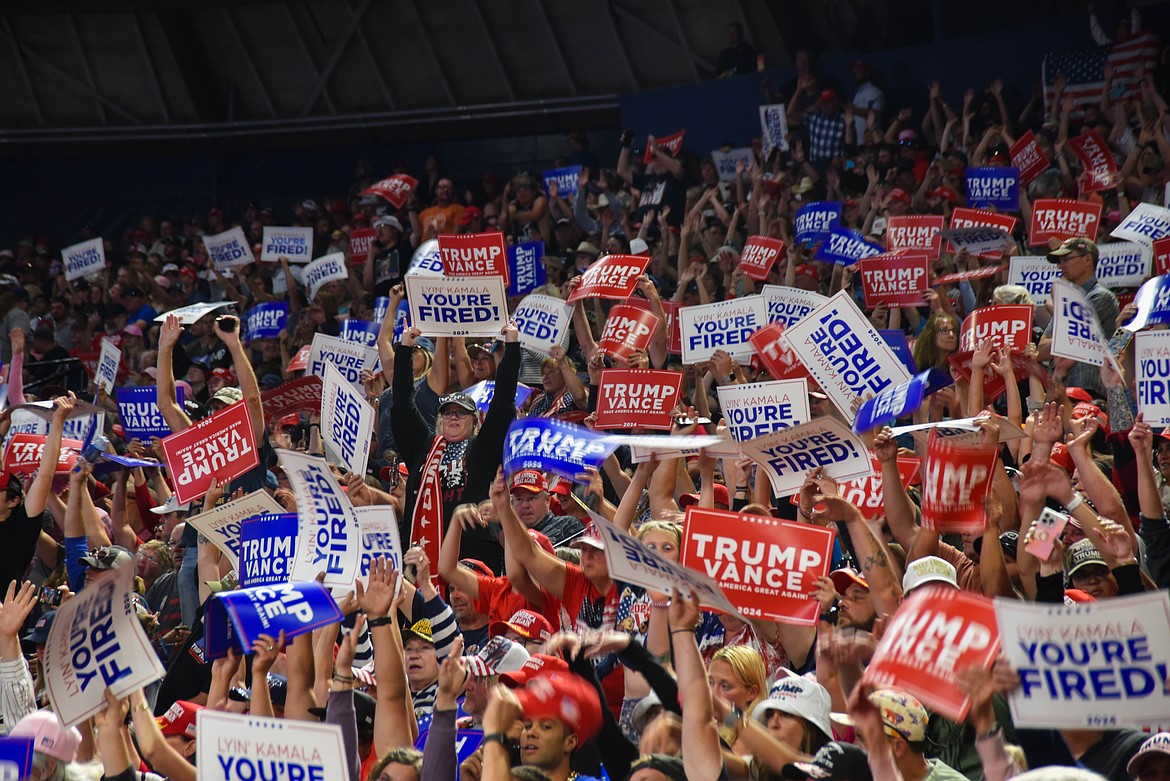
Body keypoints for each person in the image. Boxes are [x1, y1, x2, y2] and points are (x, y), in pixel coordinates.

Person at [392, 323, 520, 573]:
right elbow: (402, 404)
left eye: (461, 414)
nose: (453, 417)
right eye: (448, 413)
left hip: (475, 550)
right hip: (423, 550)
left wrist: (512, 346)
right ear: (439, 421)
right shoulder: (424, 447)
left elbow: (504, 400)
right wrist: (405, 348)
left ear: (474, 422)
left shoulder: (482, 448)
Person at [1038, 238, 1119, 399]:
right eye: (1059, 261)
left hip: (1089, 392)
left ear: (1087, 260)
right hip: (1064, 389)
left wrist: (1058, 344)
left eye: (1066, 259)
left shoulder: (1101, 297)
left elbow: (1063, 344)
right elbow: (1041, 349)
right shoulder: (1068, 300)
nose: (1061, 266)